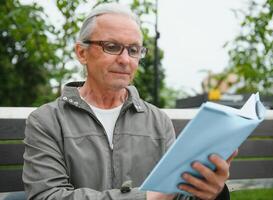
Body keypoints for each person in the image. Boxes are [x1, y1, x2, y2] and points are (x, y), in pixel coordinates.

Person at [23, 3, 237, 200]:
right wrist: (145, 197)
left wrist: (212, 192)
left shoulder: (158, 121)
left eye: (133, 50)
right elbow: (47, 196)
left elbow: (176, 194)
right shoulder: (47, 121)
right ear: (81, 53)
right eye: (111, 46)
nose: (125, 59)